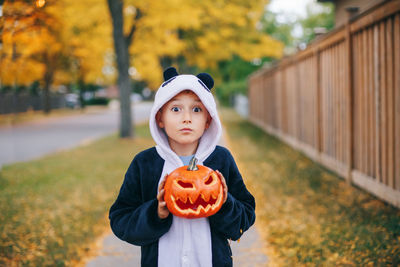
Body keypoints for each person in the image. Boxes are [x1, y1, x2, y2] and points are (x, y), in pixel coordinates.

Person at [109, 67, 255, 267]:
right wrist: (155, 214)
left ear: (208, 119)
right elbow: (120, 220)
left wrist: (224, 203)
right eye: (175, 109)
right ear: (160, 118)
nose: (186, 118)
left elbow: (244, 219)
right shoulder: (144, 164)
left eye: (196, 109)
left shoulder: (221, 160)